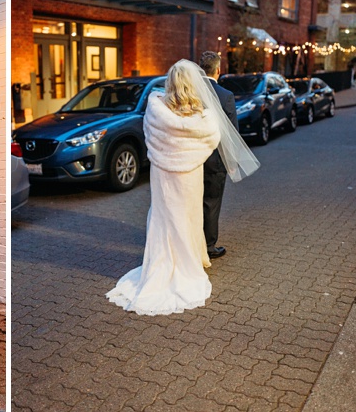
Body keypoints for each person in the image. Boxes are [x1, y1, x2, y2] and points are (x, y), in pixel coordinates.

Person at [106, 60, 259, 316]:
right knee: (188, 219)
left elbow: (148, 137)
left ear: (170, 82)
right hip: (189, 176)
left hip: (162, 176)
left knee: (163, 218)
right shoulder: (202, 118)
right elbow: (213, 139)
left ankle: (160, 264)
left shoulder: (156, 111)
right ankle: (191, 261)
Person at [197, 51, 237, 260]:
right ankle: (208, 246)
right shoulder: (226, 95)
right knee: (211, 202)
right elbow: (232, 133)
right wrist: (231, 161)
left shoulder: (189, 92)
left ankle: (191, 242)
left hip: (191, 159)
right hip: (215, 159)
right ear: (218, 70)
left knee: (193, 201)